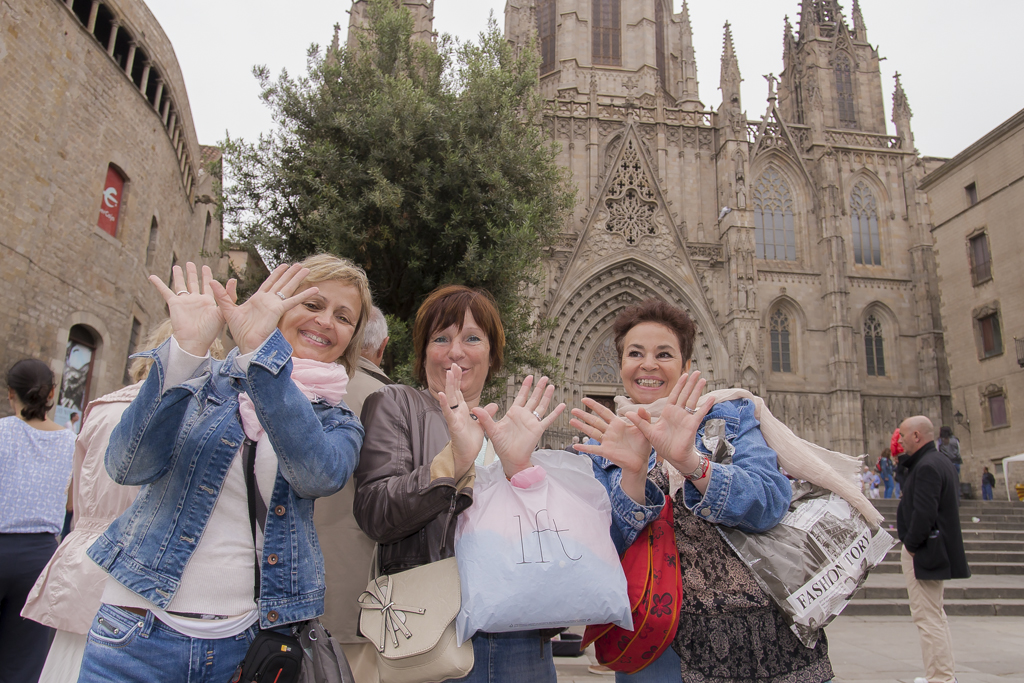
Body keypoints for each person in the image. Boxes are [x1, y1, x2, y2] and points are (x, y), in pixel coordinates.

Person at [77, 257, 370, 683]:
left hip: (243, 647)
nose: (326, 322)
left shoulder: (338, 421)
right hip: (138, 633)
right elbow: (126, 465)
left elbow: (317, 475)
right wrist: (182, 355)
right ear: (280, 305)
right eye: (312, 303)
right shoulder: (205, 382)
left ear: (351, 339)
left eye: (343, 317)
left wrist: (261, 357)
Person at [570, 299, 834, 683]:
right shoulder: (602, 444)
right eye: (635, 353)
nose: (648, 365)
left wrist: (693, 463)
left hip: (765, 637)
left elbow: (770, 501)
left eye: (664, 353)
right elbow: (601, 550)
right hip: (661, 644)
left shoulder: (729, 414)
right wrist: (632, 473)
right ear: (621, 365)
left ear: (686, 366)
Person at [354, 285, 564, 683]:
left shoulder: (509, 428)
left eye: (472, 338)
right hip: (433, 630)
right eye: (441, 338)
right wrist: (454, 461)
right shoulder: (396, 404)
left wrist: (522, 471)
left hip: (519, 636)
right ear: (422, 353)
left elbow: (548, 538)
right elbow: (375, 512)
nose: (456, 351)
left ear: (492, 354)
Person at [20, 321, 219, 683]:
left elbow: (77, 499)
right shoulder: (196, 416)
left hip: (85, 558)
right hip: (143, 574)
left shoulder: (102, 408)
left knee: (67, 667)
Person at [316, 305, 393, 683]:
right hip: (355, 599)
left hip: (279, 596)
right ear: (383, 347)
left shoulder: (302, 384)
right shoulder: (392, 401)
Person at [0, 359, 77, 683]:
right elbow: (72, 504)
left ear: (9, 394)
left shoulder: (2, 432)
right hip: (41, 557)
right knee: (25, 660)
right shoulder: (71, 441)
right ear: (53, 394)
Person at [896, 415, 970, 683]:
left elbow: (925, 514)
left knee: (927, 619)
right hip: (935, 547)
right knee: (936, 616)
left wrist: (913, 545)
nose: (900, 440)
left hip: (926, 549)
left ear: (917, 436)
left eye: (903, 435)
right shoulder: (940, 461)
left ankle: (940, 679)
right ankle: (942, 675)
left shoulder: (927, 466)